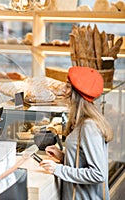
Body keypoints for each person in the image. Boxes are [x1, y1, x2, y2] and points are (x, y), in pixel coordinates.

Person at [40, 66, 113, 200]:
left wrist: (58, 169)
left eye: (68, 87)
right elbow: (83, 160)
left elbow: (98, 174)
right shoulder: (82, 121)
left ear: (76, 93)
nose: (64, 91)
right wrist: (63, 157)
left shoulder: (89, 126)